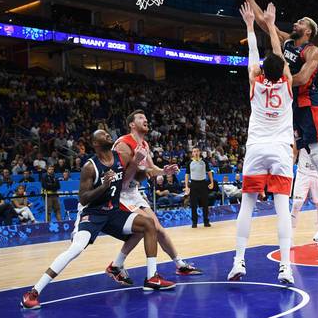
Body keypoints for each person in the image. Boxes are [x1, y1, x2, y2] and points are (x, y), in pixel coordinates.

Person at [230, 0, 318, 243]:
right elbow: (264, 22)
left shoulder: (312, 51)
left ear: (307, 31)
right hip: (291, 106)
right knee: (312, 152)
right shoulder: (286, 41)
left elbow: (302, 79)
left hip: (308, 102)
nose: (295, 23)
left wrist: (279, 80)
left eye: (300, 22)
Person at [20, 130, 175, 310]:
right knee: (76, 249)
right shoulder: (90, 166)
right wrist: (104, 186)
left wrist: (141, 164)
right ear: (95, 144)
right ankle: (32, 293)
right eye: (103, 135)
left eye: (108, 134)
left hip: (113, 212)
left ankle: (151, 278)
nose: (108, 135)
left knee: (148, 225)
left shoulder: (121, 156)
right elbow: (83, 198)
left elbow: (138, 176)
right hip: (91, 214)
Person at [227, 2, 294, 284]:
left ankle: (238, 261)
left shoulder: (255, 82)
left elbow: (254, 54)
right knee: (282, 209)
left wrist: (250, 25)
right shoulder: (286, 82)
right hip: (280, 150)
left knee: (247, 206)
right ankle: (286, 267)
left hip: (256, 148)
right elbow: (278, 55)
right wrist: (271, 24)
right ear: (283, 71)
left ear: (262, 71)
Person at [105, 110, 201, 287]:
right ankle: (126, 268)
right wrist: (136, 161)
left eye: (146, 117)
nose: (146, 119)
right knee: (149, 228)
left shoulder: (145, 144)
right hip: (120, 194)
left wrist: (164, 171)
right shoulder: (123, 145)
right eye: (141, 118)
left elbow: (151, 168)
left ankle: (179, 264)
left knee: (159, 230)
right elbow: (123, 180)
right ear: (132, 124)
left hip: (134, 192)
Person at [291, 142, 318, 247]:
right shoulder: (301, 135)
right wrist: (289, 170)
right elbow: (294, 154)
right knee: (296, 204)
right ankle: (289, 238)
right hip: (303, 173)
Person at [184, 147, 214, 227]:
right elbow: (187, 175)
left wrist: (212, 182)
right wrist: (186, 186)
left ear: (199, 152)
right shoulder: (189, 163)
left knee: (205, 203)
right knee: (193, 204)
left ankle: (206, 221)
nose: (196, 153)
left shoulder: (204, 162)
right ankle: (194, 222)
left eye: (197, 151)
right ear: (192, 153)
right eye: (194, 151)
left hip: (203, 183)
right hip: (193, 184)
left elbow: (209, 172)